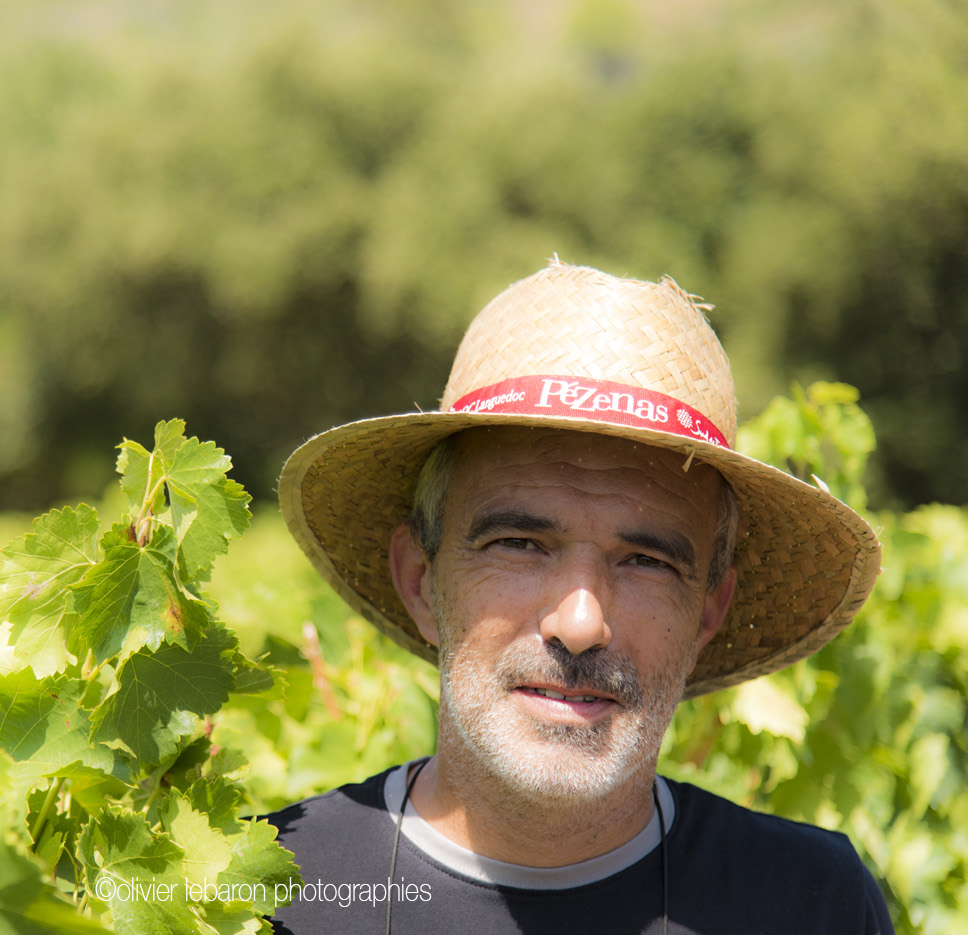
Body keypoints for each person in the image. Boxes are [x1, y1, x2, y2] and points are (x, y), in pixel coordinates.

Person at [267, 258, 892, 934]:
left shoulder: (812, 904)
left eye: (647, 561)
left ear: (709, 610)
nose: (580, 621)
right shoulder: (259, 895)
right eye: (520, 544)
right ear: (420, 580)